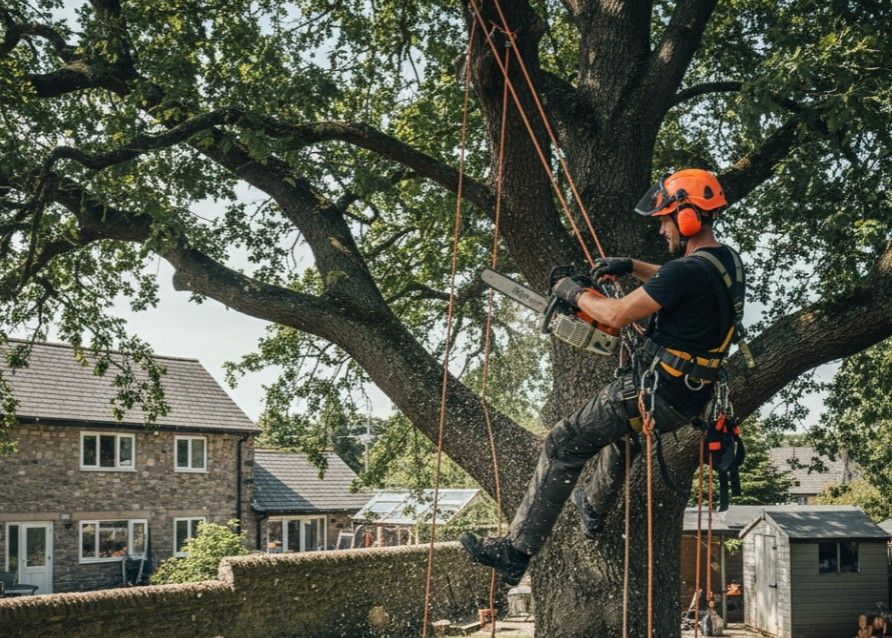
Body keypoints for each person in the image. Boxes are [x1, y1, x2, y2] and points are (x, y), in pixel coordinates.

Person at [460, 168, 746, 585]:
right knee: (623, 436)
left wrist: (571, 292)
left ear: (688, 216)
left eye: (667, 219)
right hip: (689, 398)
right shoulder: (724, 262)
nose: (664, 228)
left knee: (563, 442)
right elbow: (675, 282)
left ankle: (515, 551)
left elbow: (614, 313)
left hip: (654, 390)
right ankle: (593, 508)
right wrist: (631, 265)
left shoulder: (684, 272)